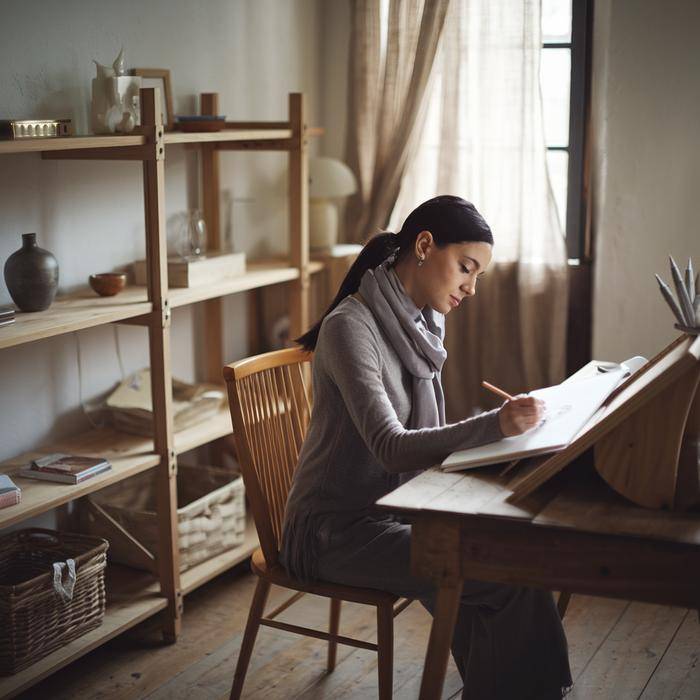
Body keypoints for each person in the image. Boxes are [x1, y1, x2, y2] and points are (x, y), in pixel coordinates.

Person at [280, 195, 572, 699]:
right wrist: (495, 426)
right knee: (505, 577)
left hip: (400, 511)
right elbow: (392, 448)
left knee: (511, 558)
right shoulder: (351, 328)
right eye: (466, 268)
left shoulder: (423, 320)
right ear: (423, 246)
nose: (471, 288)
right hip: (334, 531)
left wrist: (501, 437)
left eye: (477, 275)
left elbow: (425, 440)